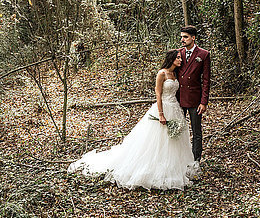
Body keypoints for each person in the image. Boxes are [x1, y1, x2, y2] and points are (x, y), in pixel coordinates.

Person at [68, 50, 197, 190]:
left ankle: (176, 167)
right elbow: (158, 94)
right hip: (164, 107)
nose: (180, 60)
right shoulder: (162, 73)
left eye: (180, 58)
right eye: (178, 58)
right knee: (159, 140)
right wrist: (160, 113)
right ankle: (156, 169)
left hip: (175, 108)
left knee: (175, 139)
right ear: (171, 59)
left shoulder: (176, 74)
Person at [177, 25, 211, 164]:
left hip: (195, 99)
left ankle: (196, 160)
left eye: (185, 37)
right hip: (178, 98)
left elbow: (206, 80)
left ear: (193, 38)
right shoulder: (178, 53)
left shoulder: (203, 54)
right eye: (181, 37)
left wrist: (203, 102)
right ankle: (178, 159)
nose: (182, 40)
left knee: (196, 131)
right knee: (177, 129)